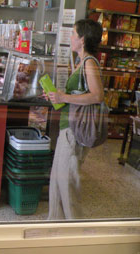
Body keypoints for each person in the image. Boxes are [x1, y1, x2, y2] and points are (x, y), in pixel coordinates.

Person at [45, 19, 104, 220]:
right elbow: (79, 95)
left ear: (83, 39)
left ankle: (74, 228)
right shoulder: (81, 62)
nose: (70, 37)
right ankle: (55, 225)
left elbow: (97, 96)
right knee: (57, 181)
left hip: (75, 132)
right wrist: (57, 96)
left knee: (67, 183)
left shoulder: (89, 63)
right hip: (67, 128)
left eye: (73, 33)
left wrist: (63, 97)